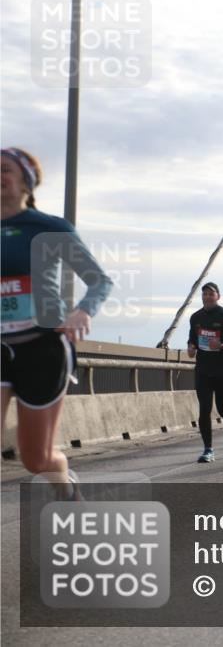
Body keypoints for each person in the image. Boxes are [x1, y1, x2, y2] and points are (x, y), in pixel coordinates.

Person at [1, 147, 113, 497]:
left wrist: (83, 311)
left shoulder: (48, 228)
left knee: (36, 459)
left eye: (5, 169)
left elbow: (99, 280)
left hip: (42, 348)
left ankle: (66, 489)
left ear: (26, 183)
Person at [187, 282, 223, 462]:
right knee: (204, 409)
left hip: (222, 369)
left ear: (218, 296)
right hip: (203, 370)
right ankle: (208, 450)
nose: (207, 297)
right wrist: (191, 347)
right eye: (205, 294)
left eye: (211, 294)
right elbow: (192, 338)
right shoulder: (195, 317)